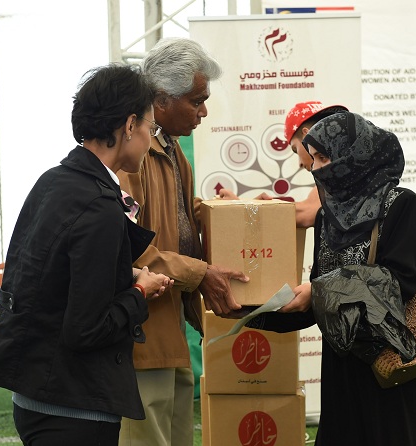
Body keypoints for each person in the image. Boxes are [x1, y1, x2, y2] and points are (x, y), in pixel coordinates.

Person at [0, 64, 173, 445]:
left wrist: (124, 273)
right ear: (130, 125)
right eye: (151, 126)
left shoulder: (53, 181)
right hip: (74, 408)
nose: (151, 139)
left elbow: (49, 272)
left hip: (33, 393)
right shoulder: (100, 208)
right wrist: (140, 292)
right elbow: (86, 329)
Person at [244, 111, 416, 445]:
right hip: (343, 370)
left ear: (355, 155)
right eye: (314, 158)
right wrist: (249, 310)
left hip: (394, 365)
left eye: (324, 158)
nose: (316, 168)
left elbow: (399, 282)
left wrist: (320, 291)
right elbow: (315, 301)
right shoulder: (327, 218)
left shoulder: (402, 206)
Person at [116, 37, 249, 446]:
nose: (203, 112)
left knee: (174, 435)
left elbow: (178, 216)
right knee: (147, 436)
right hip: (142, 328)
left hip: (171, 321)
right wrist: (200, 273)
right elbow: (128, 247)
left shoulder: (172, 150)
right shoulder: (131, 156)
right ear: (160, 98)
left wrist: (229, 214)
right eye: (197, 101)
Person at [217, 101, 347, 228]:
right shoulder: (342, 171)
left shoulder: (343, 175)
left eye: (295, 149)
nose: (300, 163)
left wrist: (240, 207)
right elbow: (306, 208)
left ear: (307, 136)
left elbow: (305, 214)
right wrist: (246, 206)